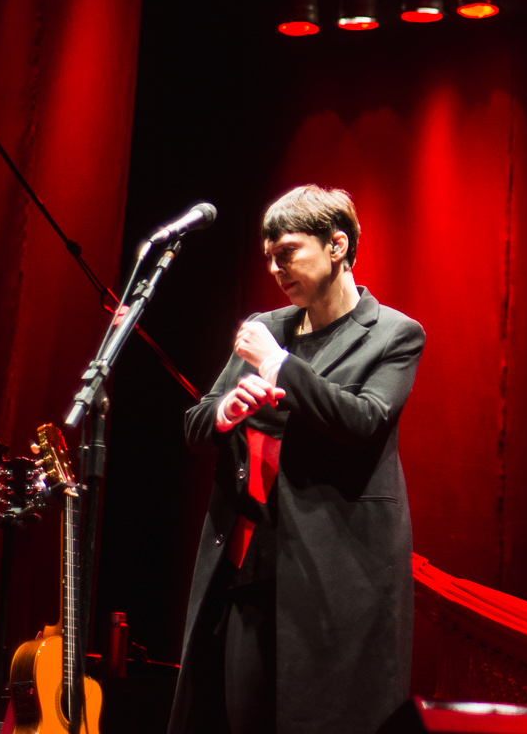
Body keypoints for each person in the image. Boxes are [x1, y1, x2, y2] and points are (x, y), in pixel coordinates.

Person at [168, 185, 426, 734]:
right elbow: (196, 423)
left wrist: (279, 365)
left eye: (286, 252)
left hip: (337, 575)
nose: (274, 269)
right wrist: (227, 410)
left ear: (337, 245)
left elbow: (363, 421)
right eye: (268, 257)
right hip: (252, 564)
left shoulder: (393, 334)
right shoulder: (268, 327)